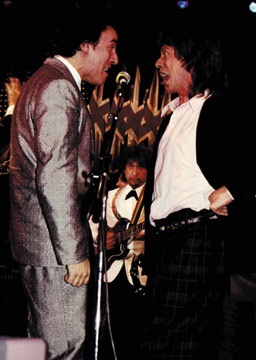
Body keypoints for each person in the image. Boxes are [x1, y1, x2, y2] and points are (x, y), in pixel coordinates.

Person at [8, 10, 119, 360]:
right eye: (111, 47)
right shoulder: (58, 86)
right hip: (53, 250)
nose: (115, 59)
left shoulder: (44, 80)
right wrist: (74, 253)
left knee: (38, 345)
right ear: (85, 45)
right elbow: (54, 175)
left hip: (40, 243)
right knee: (63, 348)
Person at [139, 24, 236, 360]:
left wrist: (233, 191)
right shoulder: (171, 115)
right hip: (168, 242)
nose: (157, 63)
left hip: (197, 237)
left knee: (161, 341)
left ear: (190, 60)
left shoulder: (217, 109)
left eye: (165, 55)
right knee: (177, 345)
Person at [89, 143, 153, 360]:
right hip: (113, 270)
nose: (135, 172)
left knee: (137, 330)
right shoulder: (112, 196)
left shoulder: (155, 196)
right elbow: (94, 226)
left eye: (141, 167)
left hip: (143, 272)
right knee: (111, 328)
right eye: (130, 166)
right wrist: (102, 238)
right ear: (123, 168)